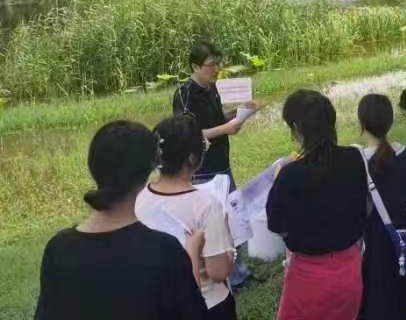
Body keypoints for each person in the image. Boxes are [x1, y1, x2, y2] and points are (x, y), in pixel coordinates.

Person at [35, 120, 208, 320]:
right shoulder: (164, 251)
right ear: (147, 172)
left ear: (93, 167)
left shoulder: (58, 249)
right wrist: (192, 251)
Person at [267, 90, 368, 320]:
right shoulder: (354, 158)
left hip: (309, 273)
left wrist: (278, 182)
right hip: (350, 267)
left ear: (296, 128)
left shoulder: (290, 174)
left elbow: (275, 223)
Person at [172, 39, 256, 287]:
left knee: (233, 218)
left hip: (222, 163)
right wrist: (226, 128)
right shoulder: (184, 94)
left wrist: (238, 113)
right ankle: (220, 274)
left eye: (218, 64)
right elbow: (190, 134)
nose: (216, 69)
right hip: (202, 168)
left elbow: (217, 120)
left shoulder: (212, 88)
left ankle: (237, 271)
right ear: (195, 66)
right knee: (212, 224)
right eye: (211, 65)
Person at [136, 114, 236, 319]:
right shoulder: (206, 204)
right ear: (192, 158)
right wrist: (229, 244)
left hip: (157, 303)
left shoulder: (139, 197)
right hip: (206, 305)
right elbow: (218, 272)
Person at [357, 94, 406, 320]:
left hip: (372, 243)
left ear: (362, 123)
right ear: (390, 121)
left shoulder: (357, 161)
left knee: (372, 303)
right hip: (402, 242)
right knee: (399, 301)